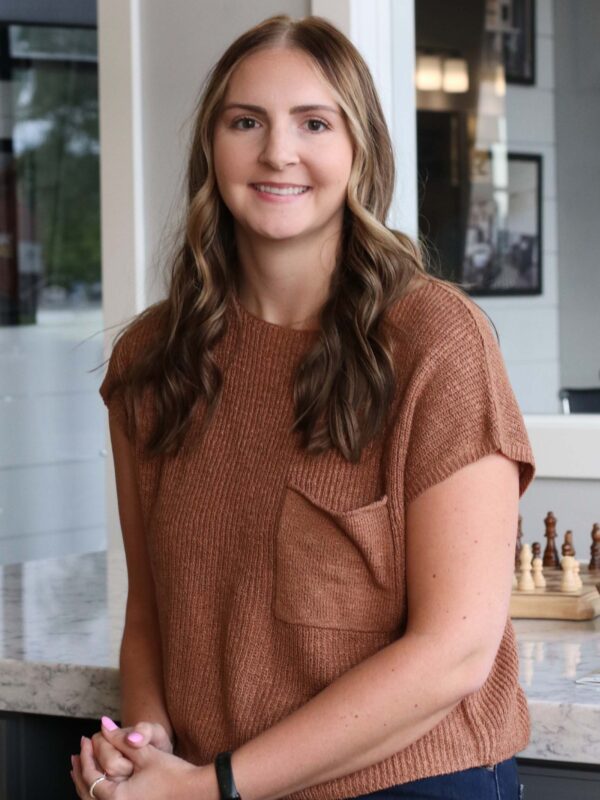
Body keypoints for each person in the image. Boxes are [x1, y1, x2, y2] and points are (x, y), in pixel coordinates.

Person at [71, 14, 534, 800]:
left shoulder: (436, 343)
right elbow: (151, 612)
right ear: (212, 150)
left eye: (314, 123)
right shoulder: (152, 362)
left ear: (359, 150)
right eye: (245, 122)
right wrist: (140, 748)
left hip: (408, 784)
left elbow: (454, 652)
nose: (277, 152)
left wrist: (209, 787)